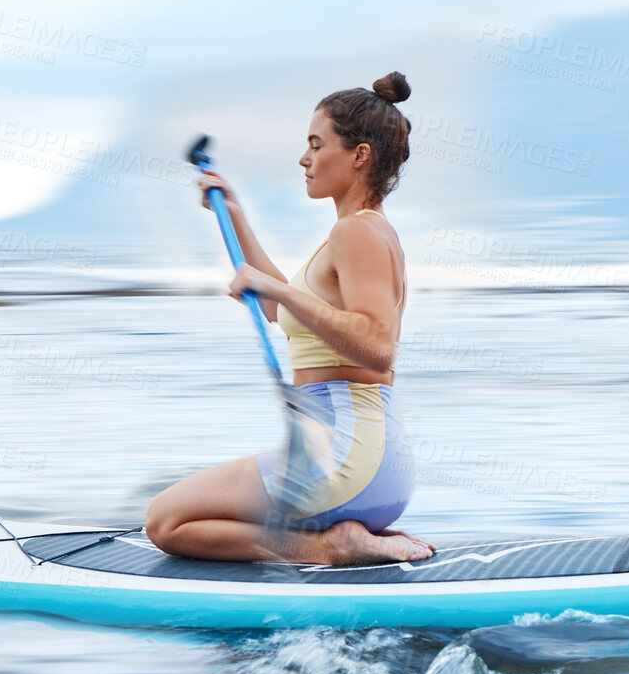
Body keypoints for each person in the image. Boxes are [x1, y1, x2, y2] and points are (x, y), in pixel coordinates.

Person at [144, 73, 437, 566]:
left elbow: (377, 344)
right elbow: (282, 310)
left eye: (316, 145)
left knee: (166, 520)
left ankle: (330, 546)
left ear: (359, 155)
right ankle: (346, 533)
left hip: (347, 457)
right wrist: (234, 216)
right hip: (372, 465)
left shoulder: (357, 234)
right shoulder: (360, 232)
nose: (304, 159)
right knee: (180, 516)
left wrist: (277, 288)